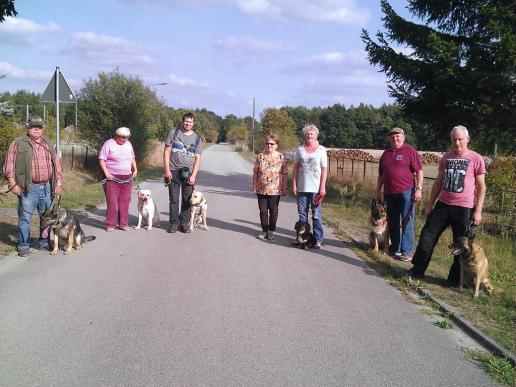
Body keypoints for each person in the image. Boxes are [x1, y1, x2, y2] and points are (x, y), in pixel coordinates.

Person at [408, 125, 486, 284]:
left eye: (460, 139)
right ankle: (417, 270)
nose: (457, 143)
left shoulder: (476, 158)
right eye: (454, 140)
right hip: (443, 205)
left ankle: (455, 279)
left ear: (467, 140)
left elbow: (482, 187)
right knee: (427, 235)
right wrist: (430, 205)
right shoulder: (446, 158)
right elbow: (438, 183)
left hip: (464, 208)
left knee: (462, 244)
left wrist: (478, 211)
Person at [3, 116, 63, 257]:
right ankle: (24, 245)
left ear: (43, 128)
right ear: (27, 128)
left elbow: (57, 165)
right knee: (25, 218)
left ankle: (43, 241)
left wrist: (58, 183)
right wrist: (13, 184)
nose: (36, 129)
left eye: (39, 126)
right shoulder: (17, 143)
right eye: (33, 126)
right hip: (28, 188)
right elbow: (8, 166)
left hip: (47, 186)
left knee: (46, 217)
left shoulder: (48, 142)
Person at [376, 127, 423, 261]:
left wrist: (418, 189)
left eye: (397, 136)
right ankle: (395, 247)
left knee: (407, 220)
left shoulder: (410, 151)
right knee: (393, 221)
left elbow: (419, 171)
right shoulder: (386, 154)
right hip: (389, 193)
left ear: (403, 137)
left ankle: (406, 251)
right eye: (392, 136)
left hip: (406, 192)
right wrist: (378, 190)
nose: (395, 138)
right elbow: (381, 175)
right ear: (389, 138)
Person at [163, 112, 204, 233]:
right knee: (174, 199)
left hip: (188, 173)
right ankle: (173, 223)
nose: (188, 124)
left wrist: (194, 176)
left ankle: (184, 223)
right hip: (173, 170)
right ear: (183, 121)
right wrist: (167, 170)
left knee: (188, 200)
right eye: (186, 121)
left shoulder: (197, 138)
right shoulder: (173, 133)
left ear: (193, 123)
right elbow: (166, 152)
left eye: (190, 122)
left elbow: (197, 158)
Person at [292, 124, 328, 249]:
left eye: (311, 134)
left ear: (316, 135)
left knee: (316, 215)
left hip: (316, 189)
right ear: (305, 135)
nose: (309, 136)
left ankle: (318, 239)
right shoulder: (300, 149)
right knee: (302, 215)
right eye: (307, 134)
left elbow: (324, 169)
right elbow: (295, 167)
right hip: (302, 187)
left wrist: (322, 187)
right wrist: (294, 184)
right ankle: (302, 238)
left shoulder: (322, 150)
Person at [98, 127, 138, 232]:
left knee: (125, 202)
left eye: (127, 138)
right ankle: (110, 224)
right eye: (123, 138)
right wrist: (106, 173)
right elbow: (102, 159)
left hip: (127, 177)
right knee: (112, 202)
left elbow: (132, 158)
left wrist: (135, 169)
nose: (125, 140)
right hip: (112, 178)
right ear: (117, 136)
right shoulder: (108, 144)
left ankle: (123, 224)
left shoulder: (128, 144)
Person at [252, 134, 288, 240]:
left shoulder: (281, 157)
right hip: (261, 189)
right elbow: (255, 172)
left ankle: (271, 231)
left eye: (272, 144)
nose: (269, 145)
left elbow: (285, 173)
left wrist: (284, 188)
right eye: (267, 143)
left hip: (275, 190)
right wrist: (254, 186)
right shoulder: (260, 156)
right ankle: (264, 231)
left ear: (276, 145)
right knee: (263, 211)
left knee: (273, 210)